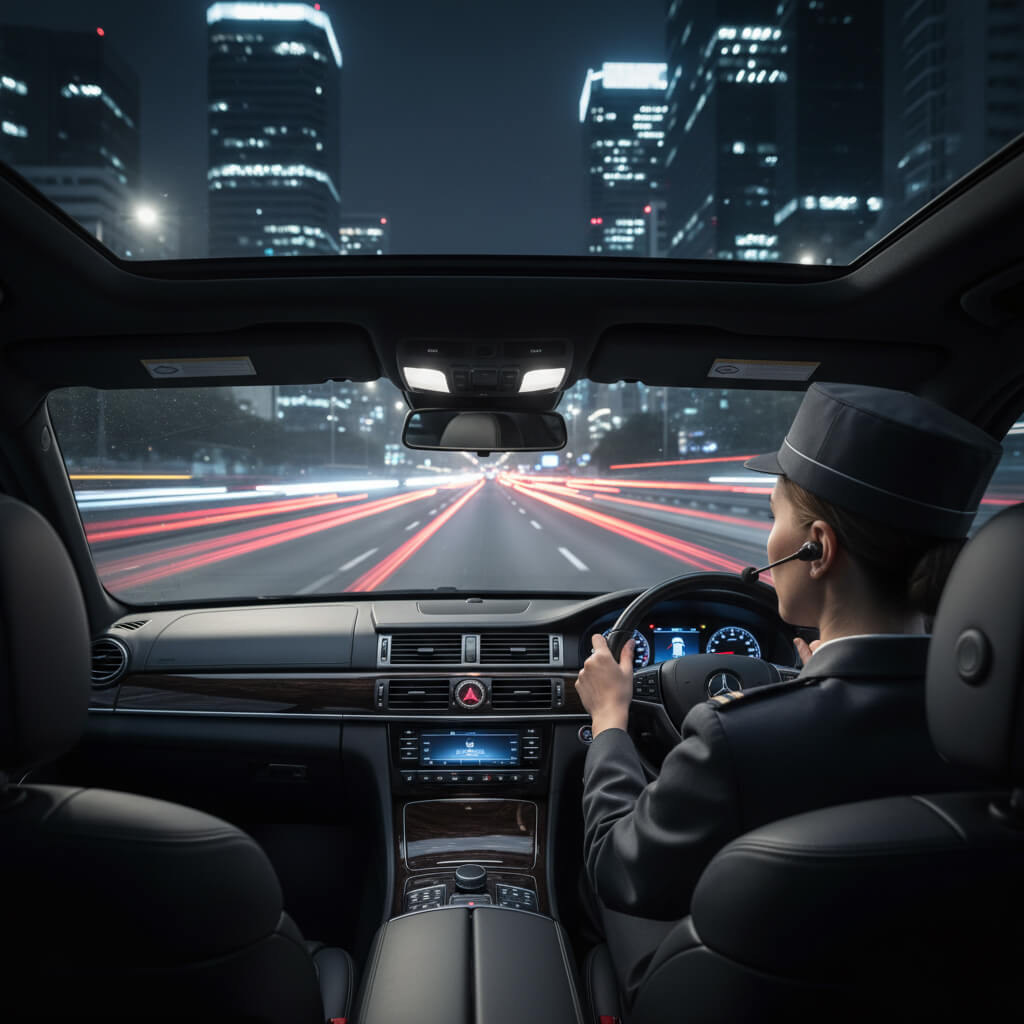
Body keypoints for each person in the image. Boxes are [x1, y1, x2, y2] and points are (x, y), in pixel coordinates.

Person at [575, 382, 1002, 1006]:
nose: (767, 541)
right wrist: (812, 684)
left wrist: (611, 722)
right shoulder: (999, 730)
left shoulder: (733, 740)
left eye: (774, 517)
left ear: (818, 549)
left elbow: (619, 868)